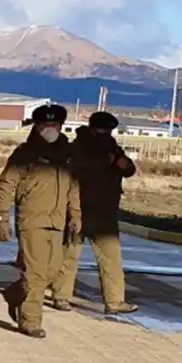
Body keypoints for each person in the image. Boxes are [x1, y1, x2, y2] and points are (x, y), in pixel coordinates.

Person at [0, 104, 81, 338]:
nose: (51, 129)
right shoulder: (25, 153)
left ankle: (14, 294)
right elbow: (6, 185)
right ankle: (30, 320)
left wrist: (76, 215)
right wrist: (2, 218)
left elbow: (73, 188)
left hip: (58, 221)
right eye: (46, 125)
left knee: (52, 273)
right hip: (31, 220)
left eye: (55, 125)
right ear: (38, 126)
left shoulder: (67, 155)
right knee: (36, 273)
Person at [50, 111, 138, 314]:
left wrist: (118, 160)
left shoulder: (112, 147)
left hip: (105, 211)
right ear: (92, 128)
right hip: (79, 209)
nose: (105, 133)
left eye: (109, 130)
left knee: (111, 258)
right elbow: (80, 166)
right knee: (70, 255)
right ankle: (61, 296)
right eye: (102, 129)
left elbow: (128, 168)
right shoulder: (78, 147)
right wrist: (107, 160)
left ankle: (115, 301)